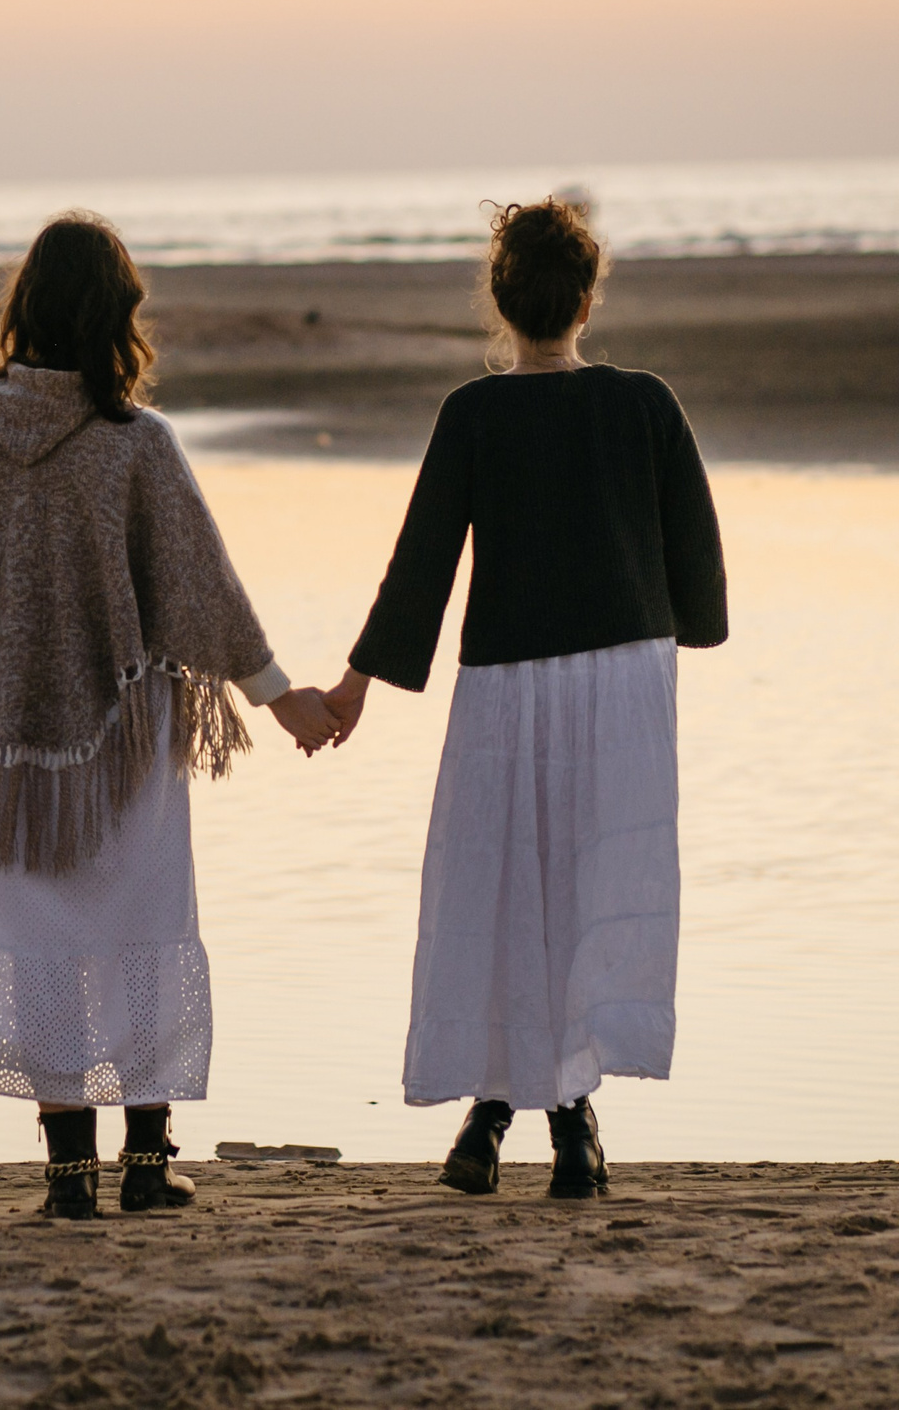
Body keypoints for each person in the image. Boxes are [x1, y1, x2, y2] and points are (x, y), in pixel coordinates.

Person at [0, 211, 339, 1218]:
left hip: (2, 746)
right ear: (116, 318)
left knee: (40, 941)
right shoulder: (138, 443)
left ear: (26, 311)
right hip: (125, 738)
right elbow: (200, 589)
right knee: (141, 927)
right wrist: (279, 696)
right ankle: (146, 1163)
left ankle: (68, 1175)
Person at [322, 197, 727, 1199]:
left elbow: (420, 564)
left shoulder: (475, 412)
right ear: (587, 298)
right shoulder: (646, 404)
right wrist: (692, 627)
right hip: (624, 679)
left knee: (504, 887)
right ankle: (571, 1127)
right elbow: (697, 557)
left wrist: (356, 682)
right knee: (586, 892)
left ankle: (493, 1117)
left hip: (507, 677)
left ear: (498, 304)